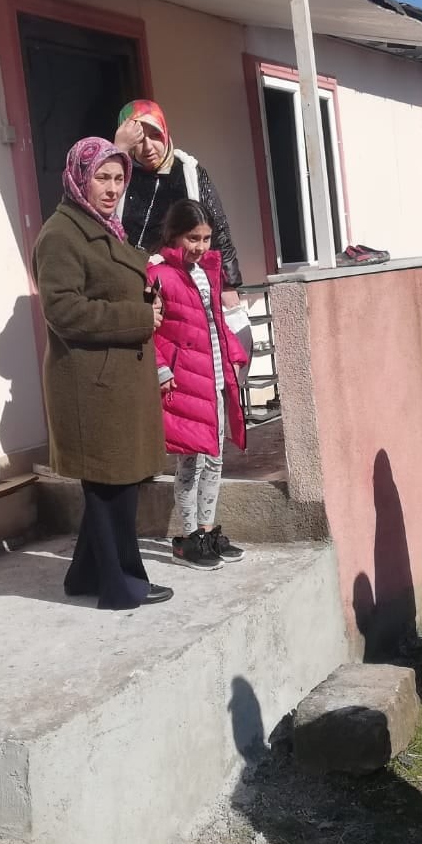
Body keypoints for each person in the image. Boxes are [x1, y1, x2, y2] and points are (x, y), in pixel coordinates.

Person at [33, 136, 174, 610]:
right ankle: (122, 585)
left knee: (118, 483)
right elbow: (64, 310)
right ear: (79, 177)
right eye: (102, 178)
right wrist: (136, 318)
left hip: (115, 380)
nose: (112, 188)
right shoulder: (61, 235)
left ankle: (86, 574)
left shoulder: (105, 229)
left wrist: (146, 302)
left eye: (118, 179)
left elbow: (113, 286)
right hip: (92, 385)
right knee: (111, 489)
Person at [147, 199, 251, 570]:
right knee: (189, 463)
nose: (201, 246)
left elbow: (214, 323)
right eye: (194, 237)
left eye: (206, 238)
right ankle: (188, 537)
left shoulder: (207, 272)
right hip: (184, 381)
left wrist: (234, 354)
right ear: (174, 234)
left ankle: (206, 533)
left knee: (215, 458)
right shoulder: (156, 274)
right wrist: (161, 370)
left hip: (214, 378)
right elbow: (150, 330)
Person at [114, 99, 244, 305]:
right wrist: (117, 150)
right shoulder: (119, 175)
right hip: (131, 284)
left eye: (155, 135)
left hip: (180, 284)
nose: (148, 147)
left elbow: (217, 228)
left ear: (165, 132)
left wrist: (229, 285)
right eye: (138, 139)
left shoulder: (188, 172)